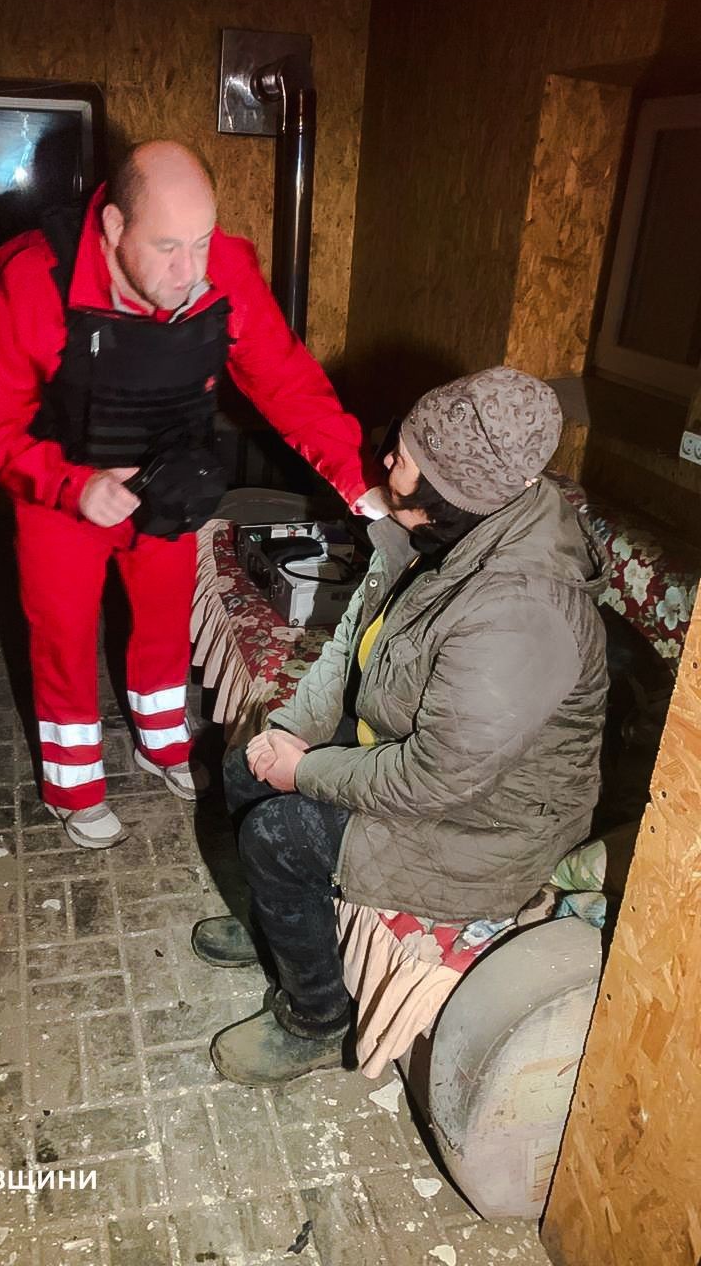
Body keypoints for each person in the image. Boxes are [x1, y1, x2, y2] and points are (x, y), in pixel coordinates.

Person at [0, 141, 384, 849]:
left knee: (162, 618)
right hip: (61, 487)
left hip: (172, 476)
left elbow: (286, 381)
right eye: (167, 247)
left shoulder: (223, 271)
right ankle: (72, 785)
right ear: (114, 226)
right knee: (62, 635)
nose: (190, 272)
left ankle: (161, 743)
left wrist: (356, 480)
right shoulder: (34, 282)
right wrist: (70, 485)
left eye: (201, 242)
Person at [193, 366, 609, 1086]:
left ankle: (315, 1020)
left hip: (487, 825)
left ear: (451, 489)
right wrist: (292, 730)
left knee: (279, 834)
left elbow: (438, 777)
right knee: (244, 764)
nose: (387, 458)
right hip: (431, 770)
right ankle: (280, 925)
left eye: (406, 456)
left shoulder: (521, 612)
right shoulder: (438, 535)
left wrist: (306, 770)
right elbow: (352, 645)